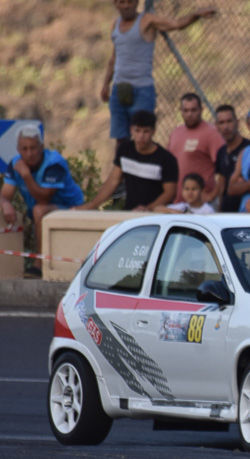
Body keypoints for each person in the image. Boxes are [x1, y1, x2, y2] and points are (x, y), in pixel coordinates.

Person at [102, 0, 216, 144]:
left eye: (130, 2)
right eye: (122, 2)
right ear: (115, 4)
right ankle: (122, 160)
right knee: (121, 138)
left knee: (142, 136)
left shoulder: (147, 21)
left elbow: (177, 24)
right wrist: (106, 84)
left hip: (141, 88)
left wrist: (195, 15)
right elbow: (114, 58)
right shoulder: (116, 25)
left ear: (136, 2)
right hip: (119, 88)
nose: (126, 6)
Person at [0, 127, 84, 278]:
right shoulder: (15, 164)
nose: (29, 154)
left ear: (42, 147)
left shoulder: (54, 163)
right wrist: (6, 204)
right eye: (24, 149)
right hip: (42, 210)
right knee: (22, 211)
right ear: (18, 150)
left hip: (72, 209)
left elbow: (43, 198)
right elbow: (5, 195)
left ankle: (39, 264)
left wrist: (26, 175)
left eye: (33, 148)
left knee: (39, 210)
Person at [77, 110, 177, 212]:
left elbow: (169, 192)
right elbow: (113, 181)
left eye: (146, 131)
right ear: (131, 130)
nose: (141, 136)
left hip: (155, 215)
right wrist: (92, 205)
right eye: (137, 131)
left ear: (153, 131)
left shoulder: (166, 159)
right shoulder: (125, 150)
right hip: (129, 212)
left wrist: (148, 209)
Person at [167, 93, 225, 204]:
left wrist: (213, 194)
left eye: (193, 110)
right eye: (186, 110)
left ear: (201, 110)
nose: (189, 114)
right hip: (178, 203)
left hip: (200, 204)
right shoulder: (176, 132)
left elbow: (224, 167)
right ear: (181, 111)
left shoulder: (211, 133)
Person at [214, 104, 250, 213]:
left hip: (245, 211)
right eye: (222, 122)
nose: (226, 127)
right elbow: (222, 183)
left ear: (237, 122)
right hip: (226, 213)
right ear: (217, 126)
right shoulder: (221, 152)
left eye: (229, 121)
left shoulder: (249, 149)